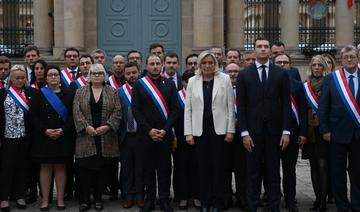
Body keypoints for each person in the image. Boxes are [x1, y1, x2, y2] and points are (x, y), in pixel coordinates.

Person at [236, 38, 291, 212]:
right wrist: (244, 132)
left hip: (275, 132)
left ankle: (273, 206)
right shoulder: (244, 74)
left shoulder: (281, 73)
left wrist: (286, 131)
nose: (263, 49)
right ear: (254, 50)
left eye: (266, 47)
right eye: (259, 46)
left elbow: (286, 105)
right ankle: (252, 206)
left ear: (269, 51)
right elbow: (241, 106)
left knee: (273, 172)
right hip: (252, 132)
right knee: (252, 173)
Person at [184, 50, 235, 212]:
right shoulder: (192, 81)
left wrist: (230, 131)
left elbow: (230, 107)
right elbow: (188, 109)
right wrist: (188, 133)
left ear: (215, 64)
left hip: (219, 131)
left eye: (210, 63)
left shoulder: (224, 79)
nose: (207, 65)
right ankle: (205, 202)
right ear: (199, 65)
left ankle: (218, 202)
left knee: (219, 168)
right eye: (204, 63)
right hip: (200, 132)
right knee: (203, 168)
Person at [132, 55, 178, 212]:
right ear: (146, 65)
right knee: (148, 169)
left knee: (165, 168)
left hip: (165, 135)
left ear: (162, 65)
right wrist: (149, 130)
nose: (155, 66)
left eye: (158, 63)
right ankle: (150, 199)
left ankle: (164, 199)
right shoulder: (139, 85)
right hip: (146, 135)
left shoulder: (170, 84)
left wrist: (165, 129)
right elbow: (135, 110)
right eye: (152, 64)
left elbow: (175, 110)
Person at [73, 64, 121, 212]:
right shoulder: (80, 91)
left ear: (104, 75)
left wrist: (107, 126)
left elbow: (117, 112)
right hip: (86, 136)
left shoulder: (112, 91)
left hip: (105, 137)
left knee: (102, 169)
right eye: (94, 73)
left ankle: (99, 198)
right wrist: (86, 127)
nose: (97, 75)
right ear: (89, 75)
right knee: (84, 170)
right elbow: (76, 111)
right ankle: (85, 200)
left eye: (100, 73)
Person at [318, 45, 360, 212]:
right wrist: (325, 130)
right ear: (341, 60)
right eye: (346, 57)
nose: (349, 59)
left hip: (358, 134)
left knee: (358, 172)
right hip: (336, 134)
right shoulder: (331, 79)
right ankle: (342, 205)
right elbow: (323, 108)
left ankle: (357, 204)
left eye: (352, 56)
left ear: (358, 58)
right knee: (337, 172)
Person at [30, 65, 75, 211]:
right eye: (50, 75)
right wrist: (45, 130)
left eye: (56, 74)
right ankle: (45, 200)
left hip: (63, 136)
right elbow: (33, 116)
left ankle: (61, 199)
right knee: (45, 168)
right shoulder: (39, 94)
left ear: (60, 77)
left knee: (61, 167)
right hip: (45, 136)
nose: (53, 77)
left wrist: (63, 130)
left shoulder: (69, 94)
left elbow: (72, 117)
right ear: (46, 77)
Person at [273, 54, 308, 212]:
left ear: (290, 65)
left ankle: (290, 200)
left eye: (285, 62)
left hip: (292, 135)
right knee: (272, 171)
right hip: (271, 134)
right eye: (278, 62)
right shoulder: (267, 84)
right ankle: (273, 200)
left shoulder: (297, 85)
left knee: (289, 171)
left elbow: (302, 112)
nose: (282, 65)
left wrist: (303, 133)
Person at [0, 65, 37, 211]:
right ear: (11, 79)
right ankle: (3, 198)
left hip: (25, 136)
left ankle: (20, 195)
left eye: (22, 78)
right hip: (7, 137)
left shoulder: (31, 93)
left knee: (23, 166)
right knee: (7, 167)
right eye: (17, 78)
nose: (20, 80)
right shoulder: (3, 93)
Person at [301, 55, 331, 212]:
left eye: (320, 65)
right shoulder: (306, 85)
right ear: (310, 67)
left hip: (324, 130)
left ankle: (324, 202)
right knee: (313, 165)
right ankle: (317, 199)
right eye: (314, 65)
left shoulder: (330, 83)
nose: (317, 67)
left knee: (323, 165)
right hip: (310, 130)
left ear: (324, 67)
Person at [172, 70, 200, 210]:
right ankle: (182, 196)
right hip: (180, 138)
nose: (190, 84)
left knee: (196, 167)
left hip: (197, 137)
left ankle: (196, 196)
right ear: (183, 82)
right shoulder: (176, 96)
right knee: (181, 167)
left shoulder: (199, 95)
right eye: (187, 81)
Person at [118, 62, 144, 209]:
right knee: (127, 168)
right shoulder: (119, 92)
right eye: (128, 73)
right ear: (124, 75)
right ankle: (128, 195)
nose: (131, 75)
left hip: (141, 135)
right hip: (126, 136)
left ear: (138, 72)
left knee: (140, 167)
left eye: (134, 72)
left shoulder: (144, 90)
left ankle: (140, 194)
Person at [223, 62, 247, 210]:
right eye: (230, 71)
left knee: (242, 169)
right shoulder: (220, 87)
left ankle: (242, 198)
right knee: (224, 168)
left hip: (242, 133)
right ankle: (226, 199)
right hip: (224, 133)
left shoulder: (246, 87)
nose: (233, 74)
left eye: (236, 71)